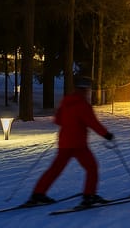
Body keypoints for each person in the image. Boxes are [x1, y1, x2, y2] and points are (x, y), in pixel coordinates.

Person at [28, 77, 114, 207]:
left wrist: (69, 124)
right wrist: (106, 134)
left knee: (55, 169)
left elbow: (58, 120)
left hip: (64, 142)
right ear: (85, 90)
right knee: (92, 167)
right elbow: (93, 123)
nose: (87, 92)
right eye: (87, 89)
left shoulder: (66, 101)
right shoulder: (83, 105)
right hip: (78, 144)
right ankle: (89, 195)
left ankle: (38, 194)